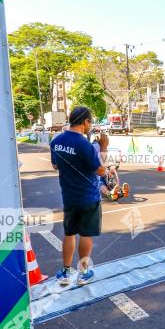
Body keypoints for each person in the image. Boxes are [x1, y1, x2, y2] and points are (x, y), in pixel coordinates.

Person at [50, 106, 108, 286]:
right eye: (90, 121)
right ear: (85, 122)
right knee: (85, 235)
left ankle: (66, 272)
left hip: (69, 197)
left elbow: (55, 166)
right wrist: (103, 148)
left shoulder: (56, 141)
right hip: (89, 197)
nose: (90, 125)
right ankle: (83, 273)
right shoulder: (85, 144)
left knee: (69, 234)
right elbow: (101, 171)